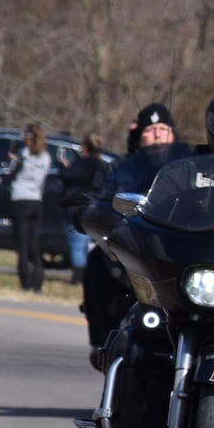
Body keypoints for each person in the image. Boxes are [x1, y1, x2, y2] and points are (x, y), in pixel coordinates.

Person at [81, 103, 192, 367]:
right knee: (97, 261)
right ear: (139, 135)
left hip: (177, 250)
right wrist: (85, 210)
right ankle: (101, 341)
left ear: (174, 135)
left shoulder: (189, 169)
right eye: (150, 130)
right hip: (134, 249)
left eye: (163, 129)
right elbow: (98, 200)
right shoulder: (121, 169)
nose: (157, 134)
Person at [4, 123, 52, 292]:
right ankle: (38, 281)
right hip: (36, 200)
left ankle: (25, 282)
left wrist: (12, 160)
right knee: (34, 244)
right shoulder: (45, 157)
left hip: (20, 199)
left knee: (22, 244)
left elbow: (11, 176)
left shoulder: (23, 155)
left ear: (29, 138)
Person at [58, 132, 107, 284]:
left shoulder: (82, 164)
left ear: (85, 147)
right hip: (94, 209)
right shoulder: (102, 165)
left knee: (77, 245)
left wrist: (62, 166)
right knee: (84, 244)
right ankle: (85, 273)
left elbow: (68, 177)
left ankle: (78, 276)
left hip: (77, 209)